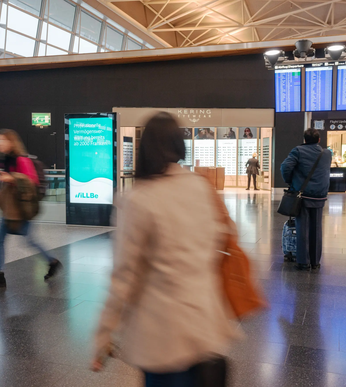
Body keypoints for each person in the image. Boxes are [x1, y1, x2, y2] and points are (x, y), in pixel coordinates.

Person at [92, 112, 240, 386]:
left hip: (162, 333)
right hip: (205, 326)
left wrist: (104, 332)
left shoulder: (138, 199)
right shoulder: (200, 187)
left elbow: (125, 274)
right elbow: (220, 239)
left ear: (143, 148)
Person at [0, 129, 61, 291]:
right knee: (0, 239)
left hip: (21, 208)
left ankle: (52, 262)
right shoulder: (4, 160)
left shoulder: (21, 160)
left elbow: (32, 183)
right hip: (10, 208)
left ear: (10, 142)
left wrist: (11, 178)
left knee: (29, 240)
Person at [280, 129, 331, 271]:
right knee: (317, 228)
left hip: (303, 195)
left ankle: (303, 261)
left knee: (302, 228)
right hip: (320, 195)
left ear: (304, 139)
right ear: (319, 140)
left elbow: (285, 166)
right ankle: (315, 262)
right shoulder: (326, 153)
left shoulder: (298, 151)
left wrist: (290, 180)